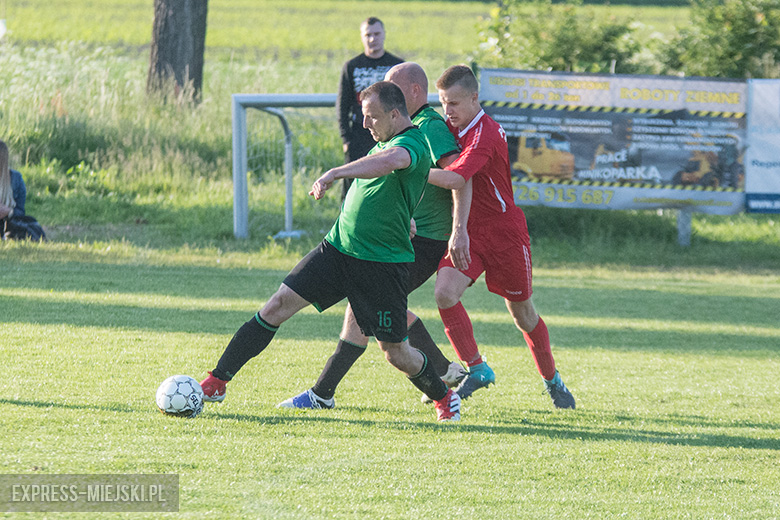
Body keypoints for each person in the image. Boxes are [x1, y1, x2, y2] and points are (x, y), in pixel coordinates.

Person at [200, 81, 462, 422]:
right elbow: (388, 188)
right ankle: (216, 381)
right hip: (338, 249)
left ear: (396, 114)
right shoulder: (384, 140)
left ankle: (445, 397)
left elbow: (392, 162)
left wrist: (334, 173)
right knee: (276, 305)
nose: (365, 124)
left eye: (372, 117)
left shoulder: (410, 142)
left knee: (396, 353)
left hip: (381, 266)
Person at [278, 62, 466, 410]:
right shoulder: (396, 132)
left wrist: (415, 169)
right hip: (403, 232)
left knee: (371, 315)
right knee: (372, 313)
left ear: (411, 93)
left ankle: (440, 375)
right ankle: (441, 373)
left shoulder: (428, 126)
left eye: (390, 86)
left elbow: (459, 177)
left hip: (422, 239)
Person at [427, 65, 575, 409]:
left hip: (505, 234)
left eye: (454, 104)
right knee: (444, 293)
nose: (448, 112)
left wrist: (405, 166)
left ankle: (552, 379)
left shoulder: (487, 133)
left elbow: (456, 178)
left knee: (522, 314)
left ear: (475, 98)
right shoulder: (449, 127)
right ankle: (476, 368)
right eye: (443, 103)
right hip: (469, 233)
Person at [336, 17, 404, 198]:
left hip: (390, 135)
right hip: (359, 134)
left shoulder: (397, 65)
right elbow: (343, 106)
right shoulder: (352, 66)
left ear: (384, 35)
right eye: (368, 35)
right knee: (353, 185)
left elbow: (404, 103)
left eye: (376, 34)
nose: (372, 39)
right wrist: (346, 139)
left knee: (388, 183)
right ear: (362, 37)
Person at [0, 140, 44, 241]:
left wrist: (8, 211)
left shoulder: (16, 178)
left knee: (30, 220)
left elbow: (20, 211)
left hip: (8, 222)